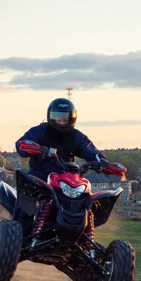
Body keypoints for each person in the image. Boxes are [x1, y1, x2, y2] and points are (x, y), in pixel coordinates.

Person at [13, 97, 109, 235]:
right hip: (40, 176)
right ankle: (16, 232)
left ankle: (85, 240)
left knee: (87, 198)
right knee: (27, 192)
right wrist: (31, 147)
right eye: (58, 118)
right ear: (50, 116)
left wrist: (100, 162)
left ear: (72, 118)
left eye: (65, 118)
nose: (61, 121)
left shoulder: (76, 136)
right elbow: (22, 144)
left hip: (66, 179)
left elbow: (91, 150)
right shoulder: (40, 131)